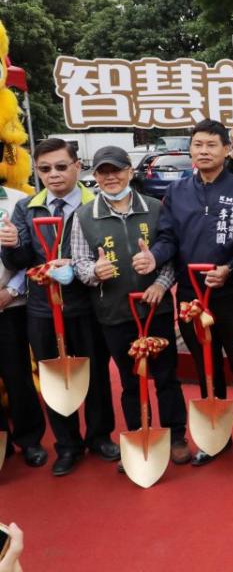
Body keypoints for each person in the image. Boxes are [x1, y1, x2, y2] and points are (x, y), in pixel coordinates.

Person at [136, 119, 233, 466]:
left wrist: (231, 271)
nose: (203, 151)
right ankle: (214, 436)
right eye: (198, 145)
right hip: (191, 297)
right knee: (208, 368)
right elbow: (167, 240)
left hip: (231, 294)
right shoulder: (176, 192)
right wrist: (153, 257)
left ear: (225, 150)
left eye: (211, 145)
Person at [0, 138, 119, 475]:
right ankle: (67, 445)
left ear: (77, 166)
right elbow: (22, 259)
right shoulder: (28, 207)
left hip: (87, 306)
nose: (53, 175)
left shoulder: (94, 203)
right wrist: (10, 247)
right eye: (45, 169)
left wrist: (84, 267)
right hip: (41, 310)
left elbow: (108, 252)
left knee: (94, 375)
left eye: (61, 167)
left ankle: (99, 436)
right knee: (54, 378)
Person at [71, 146, 191, 467]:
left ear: (129, 172)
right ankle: (140, 436)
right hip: (114, 312)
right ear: (95, 177)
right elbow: (80, 262)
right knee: (129, 380)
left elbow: (169, 253)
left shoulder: (154, 208)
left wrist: (159, 285)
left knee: (166, 375)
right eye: (103, 172)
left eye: (117, 170)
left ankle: (175, 435)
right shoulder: (84, 216)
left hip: (156, 309)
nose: (111, 177)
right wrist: (94, 273)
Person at [0, 181, 46, 470]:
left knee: (17, 375)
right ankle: (1, 447)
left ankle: (30, 441)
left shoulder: (18, 201)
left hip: (9, 304)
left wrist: (12, 291)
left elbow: (31, 256)